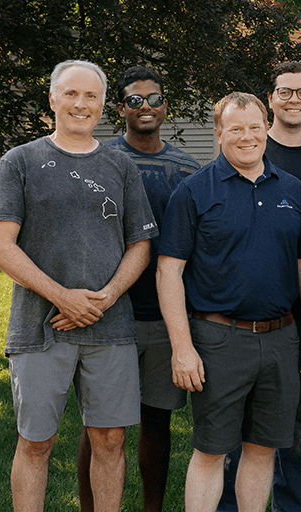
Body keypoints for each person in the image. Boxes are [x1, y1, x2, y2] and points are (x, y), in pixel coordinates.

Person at [0, 60, 157, 512]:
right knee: (36, 443)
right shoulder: (20, 161)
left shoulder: (120, 165)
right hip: (41, 329)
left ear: (102, 106)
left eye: (91, 96)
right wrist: (63, 297)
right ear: (53, 99)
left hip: (110, 328)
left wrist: (108, 296)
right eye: (71, 94)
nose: (81, 104)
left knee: (110, 441)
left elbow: (140, 245)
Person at [156, 92, 301, 512]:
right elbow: (168, 272)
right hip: (218, 339)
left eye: (255, 127)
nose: (247, 137)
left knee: (262, 448)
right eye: (236, 128)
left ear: (266, 128)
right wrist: (182, 348)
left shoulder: (293, 190)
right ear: (219, 134)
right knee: (211, 451)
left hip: (281, 338)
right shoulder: (194, 192)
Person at [217, 62, 301, 512]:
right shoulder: (247, 146)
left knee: (297, 417)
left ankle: (294, 502)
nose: (294, 100)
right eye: (284, 92)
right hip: (240, 316)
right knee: (237, 425)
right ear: (270, 98)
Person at [75, 65, 201, 512]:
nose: (144, 106)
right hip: (110, 313)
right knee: (101, 426)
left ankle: (152, 507)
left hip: (165, 315)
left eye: (153, 98)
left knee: (156, 422)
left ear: (166, 106)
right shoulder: (100, 159)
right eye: (134, 99)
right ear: (121, 108)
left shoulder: (186, 168)